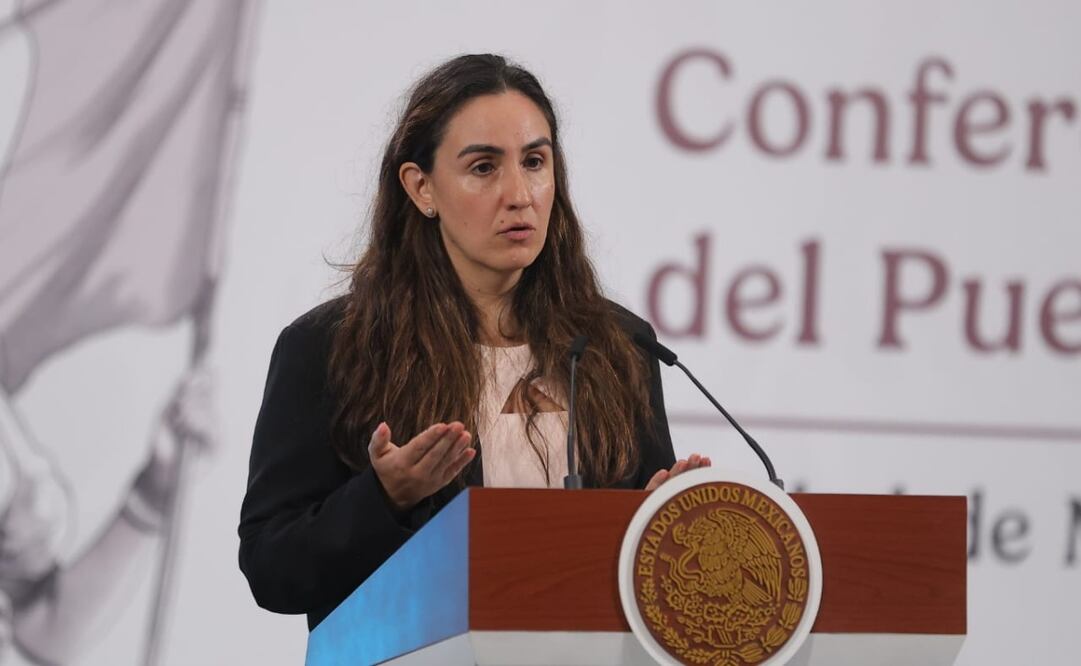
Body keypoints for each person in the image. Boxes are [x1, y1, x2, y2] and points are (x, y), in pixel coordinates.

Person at [237, 53, 711, 631]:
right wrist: (386, 498)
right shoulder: (332, 347)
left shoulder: (618, 345)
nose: (520, 194)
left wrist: (655, 522)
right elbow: (271, 566)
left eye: (535, 162)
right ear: (421, 188)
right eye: (484, 168)